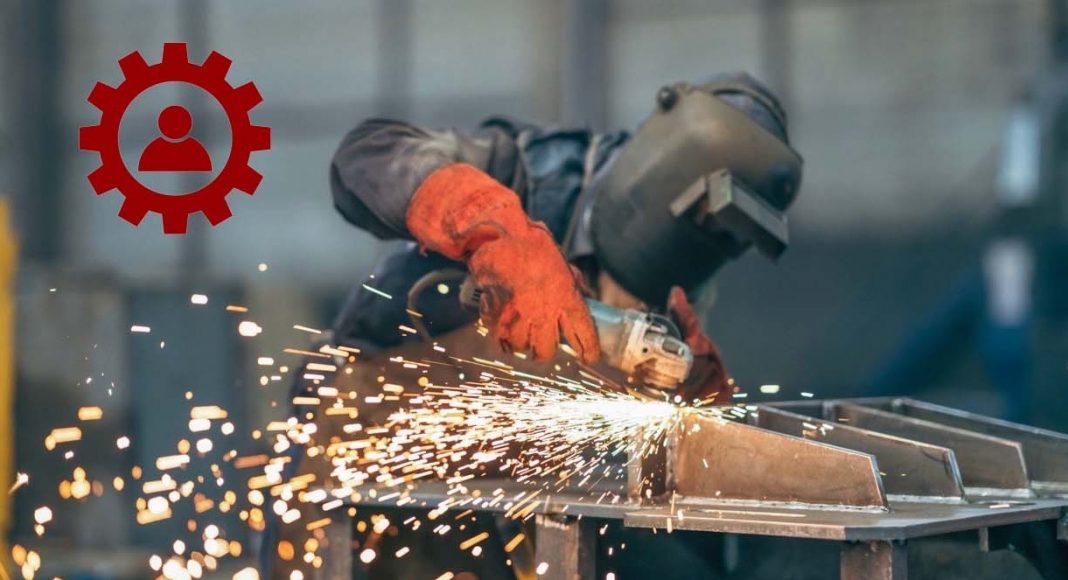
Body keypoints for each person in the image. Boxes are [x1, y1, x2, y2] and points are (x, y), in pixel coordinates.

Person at [326, 72, 803, 404]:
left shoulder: (686, 290)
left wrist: (685, 394)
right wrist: (495, 231)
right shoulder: (531, 172)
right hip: (354, 415)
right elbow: (364, 155)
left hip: (480, 488)